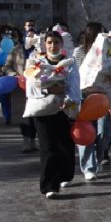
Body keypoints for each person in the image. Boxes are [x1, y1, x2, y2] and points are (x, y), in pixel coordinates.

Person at [26, 31, 80, 198]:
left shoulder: (69, 63)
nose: (52, 46)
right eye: (49, 42)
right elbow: (30, 86)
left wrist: (71, 101)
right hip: (42, 108)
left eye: (56, 42)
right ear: (45, 44)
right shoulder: (35, 61)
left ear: (61, 44)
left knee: (65, 146)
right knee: (48, 148)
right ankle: (49, 185)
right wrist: (48, 89)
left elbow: (74, 85)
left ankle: (64, 175)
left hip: (62, 108)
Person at [73, 22, 111, 181]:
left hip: (104, 97)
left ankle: (100, 156)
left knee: (104, 132)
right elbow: (76, 74)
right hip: (85, 97)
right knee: (87, 131)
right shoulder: (80, 52)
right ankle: (88, 167)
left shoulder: (108, 52)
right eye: (100, 34)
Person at [0, 28, 37, 153]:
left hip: (35, 87)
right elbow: (6, 67)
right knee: (23, 115)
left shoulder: (39, 51)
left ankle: (33, 140)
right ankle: (25, 140)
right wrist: (15, 75)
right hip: (19, 87)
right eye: (27, 35)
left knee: (35, 115)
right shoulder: (15, 50)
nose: (29, 38)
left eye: (32, 35)